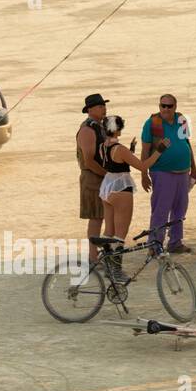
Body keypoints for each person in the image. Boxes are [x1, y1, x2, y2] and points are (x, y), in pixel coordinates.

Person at [98, 116, 169, 277]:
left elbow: (114, 161)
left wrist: (130, 151)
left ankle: (108, 266)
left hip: (107, 187)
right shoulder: (120, 149)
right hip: (121, 188)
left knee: (109, 230)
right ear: (118, 130)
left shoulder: (103, 146)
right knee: (120, 234)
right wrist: (159, 150)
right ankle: (116, 271)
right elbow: (143, 166)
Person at [141, 94, 196, 253]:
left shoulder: (182, 120)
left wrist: (194, 169)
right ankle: (154, 244)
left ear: (175, 107)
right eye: (162, 106)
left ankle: (175, 242)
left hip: (183, 172)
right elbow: (145, 150)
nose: (165, 109)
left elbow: (187, 144)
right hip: (162, 172)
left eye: (169, 106)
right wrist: (143, 174)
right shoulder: (151, 124)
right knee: (161, 209)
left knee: (180, 208)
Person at [76, 94, 111, 264]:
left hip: (102, 175)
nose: (103, 108)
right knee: (96, 218)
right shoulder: (87, 129)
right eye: (99, 106)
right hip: (93, 177)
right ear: (89, 110)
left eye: (103, 105)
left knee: (104, 216)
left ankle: (97, 255)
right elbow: (89, 161)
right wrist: (106, 174)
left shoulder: (100, 126)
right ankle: (92, 257)